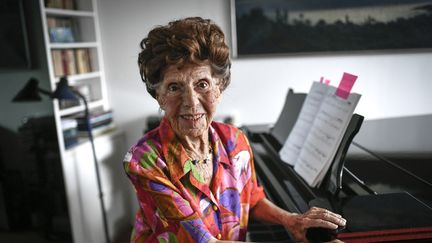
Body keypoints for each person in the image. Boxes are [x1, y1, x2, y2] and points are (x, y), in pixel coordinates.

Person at [123, 17, 346, 243]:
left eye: (202, 84)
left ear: (219, 88)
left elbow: (252, 199)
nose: (191, 102)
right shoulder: (144, 160)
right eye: (174, 87)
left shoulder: (234, 139)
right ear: (159, 96)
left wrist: (291, 220)